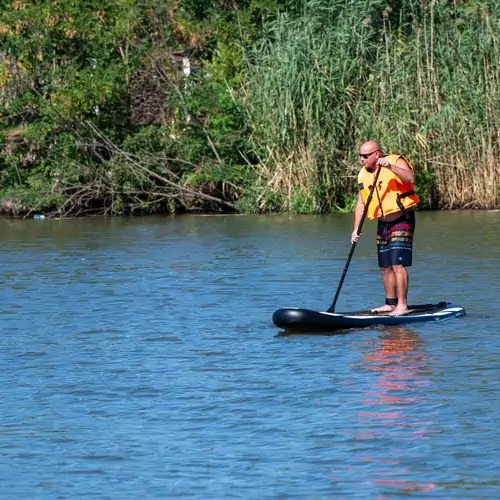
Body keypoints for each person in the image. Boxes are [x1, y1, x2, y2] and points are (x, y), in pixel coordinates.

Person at [351, 141, 420, 316]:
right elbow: (361, 202)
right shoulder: (363, 175)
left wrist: (389, 167)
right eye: (360, 156)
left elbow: (410, 178)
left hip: (401, 219)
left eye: (366, 156)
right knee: (385, 266)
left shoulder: (395, 161)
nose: (362, 159)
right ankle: (390, 303)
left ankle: (402, 305)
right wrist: (356, 228)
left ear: (377, 154)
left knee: (397, 264)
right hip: (383, 223)